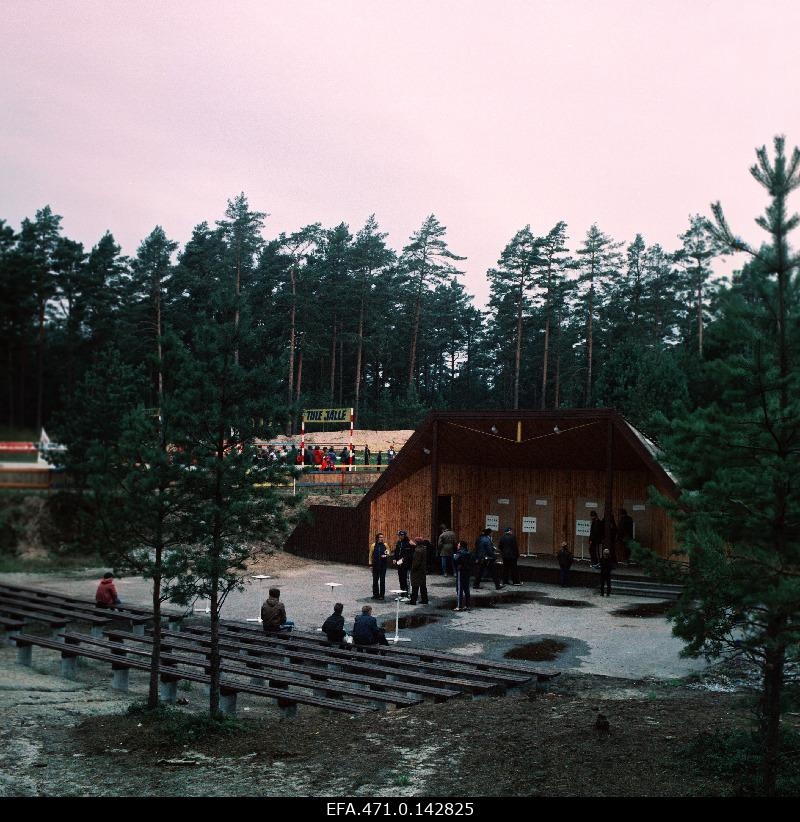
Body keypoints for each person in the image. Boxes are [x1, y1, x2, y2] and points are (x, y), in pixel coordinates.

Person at [452, 541, 473, 611]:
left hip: (461, 571)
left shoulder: (459, 553)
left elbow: (455, 560)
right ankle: (467, 605)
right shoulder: (468, 552)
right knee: (466, 588)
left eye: (458, 545)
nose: (457, 546)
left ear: (461, 546)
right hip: (468, 571)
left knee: (459, 588)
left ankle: (459, 605)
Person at [394, 530, 414, 597]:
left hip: (406, 564)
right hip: (399, 564)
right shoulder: (399, 542)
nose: (400, 536)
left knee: (406, 579)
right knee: (401, 579)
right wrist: (394, 558)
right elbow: (396, 551)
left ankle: (408, 594)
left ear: (404, 535)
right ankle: (402, 593)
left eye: (401, 535)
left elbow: (410, 554)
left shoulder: (408, 543)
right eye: (399, 535)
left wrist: (403, 559)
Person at [369, 531, 389, 600]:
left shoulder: (385, 545)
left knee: (382, 581)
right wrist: (370, 565)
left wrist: (385, 555)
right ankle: (375, 594)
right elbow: (370, 556)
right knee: (375, 581)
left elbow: (388, 552)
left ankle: (382, 595)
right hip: (375, 565)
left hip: (383, 566)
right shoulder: (373, 545)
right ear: (377, 538)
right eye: (380, 537)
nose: (381, 538)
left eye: (382, 537)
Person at [409, 537, 429, 605]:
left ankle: (413, 600)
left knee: (415, 586)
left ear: (417, 542)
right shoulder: (424, 549)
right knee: (423, 585)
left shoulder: (417, 551)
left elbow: (416, 563)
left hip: (417, 571)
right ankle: (425, 599)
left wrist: (412, 569)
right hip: (422, 570)